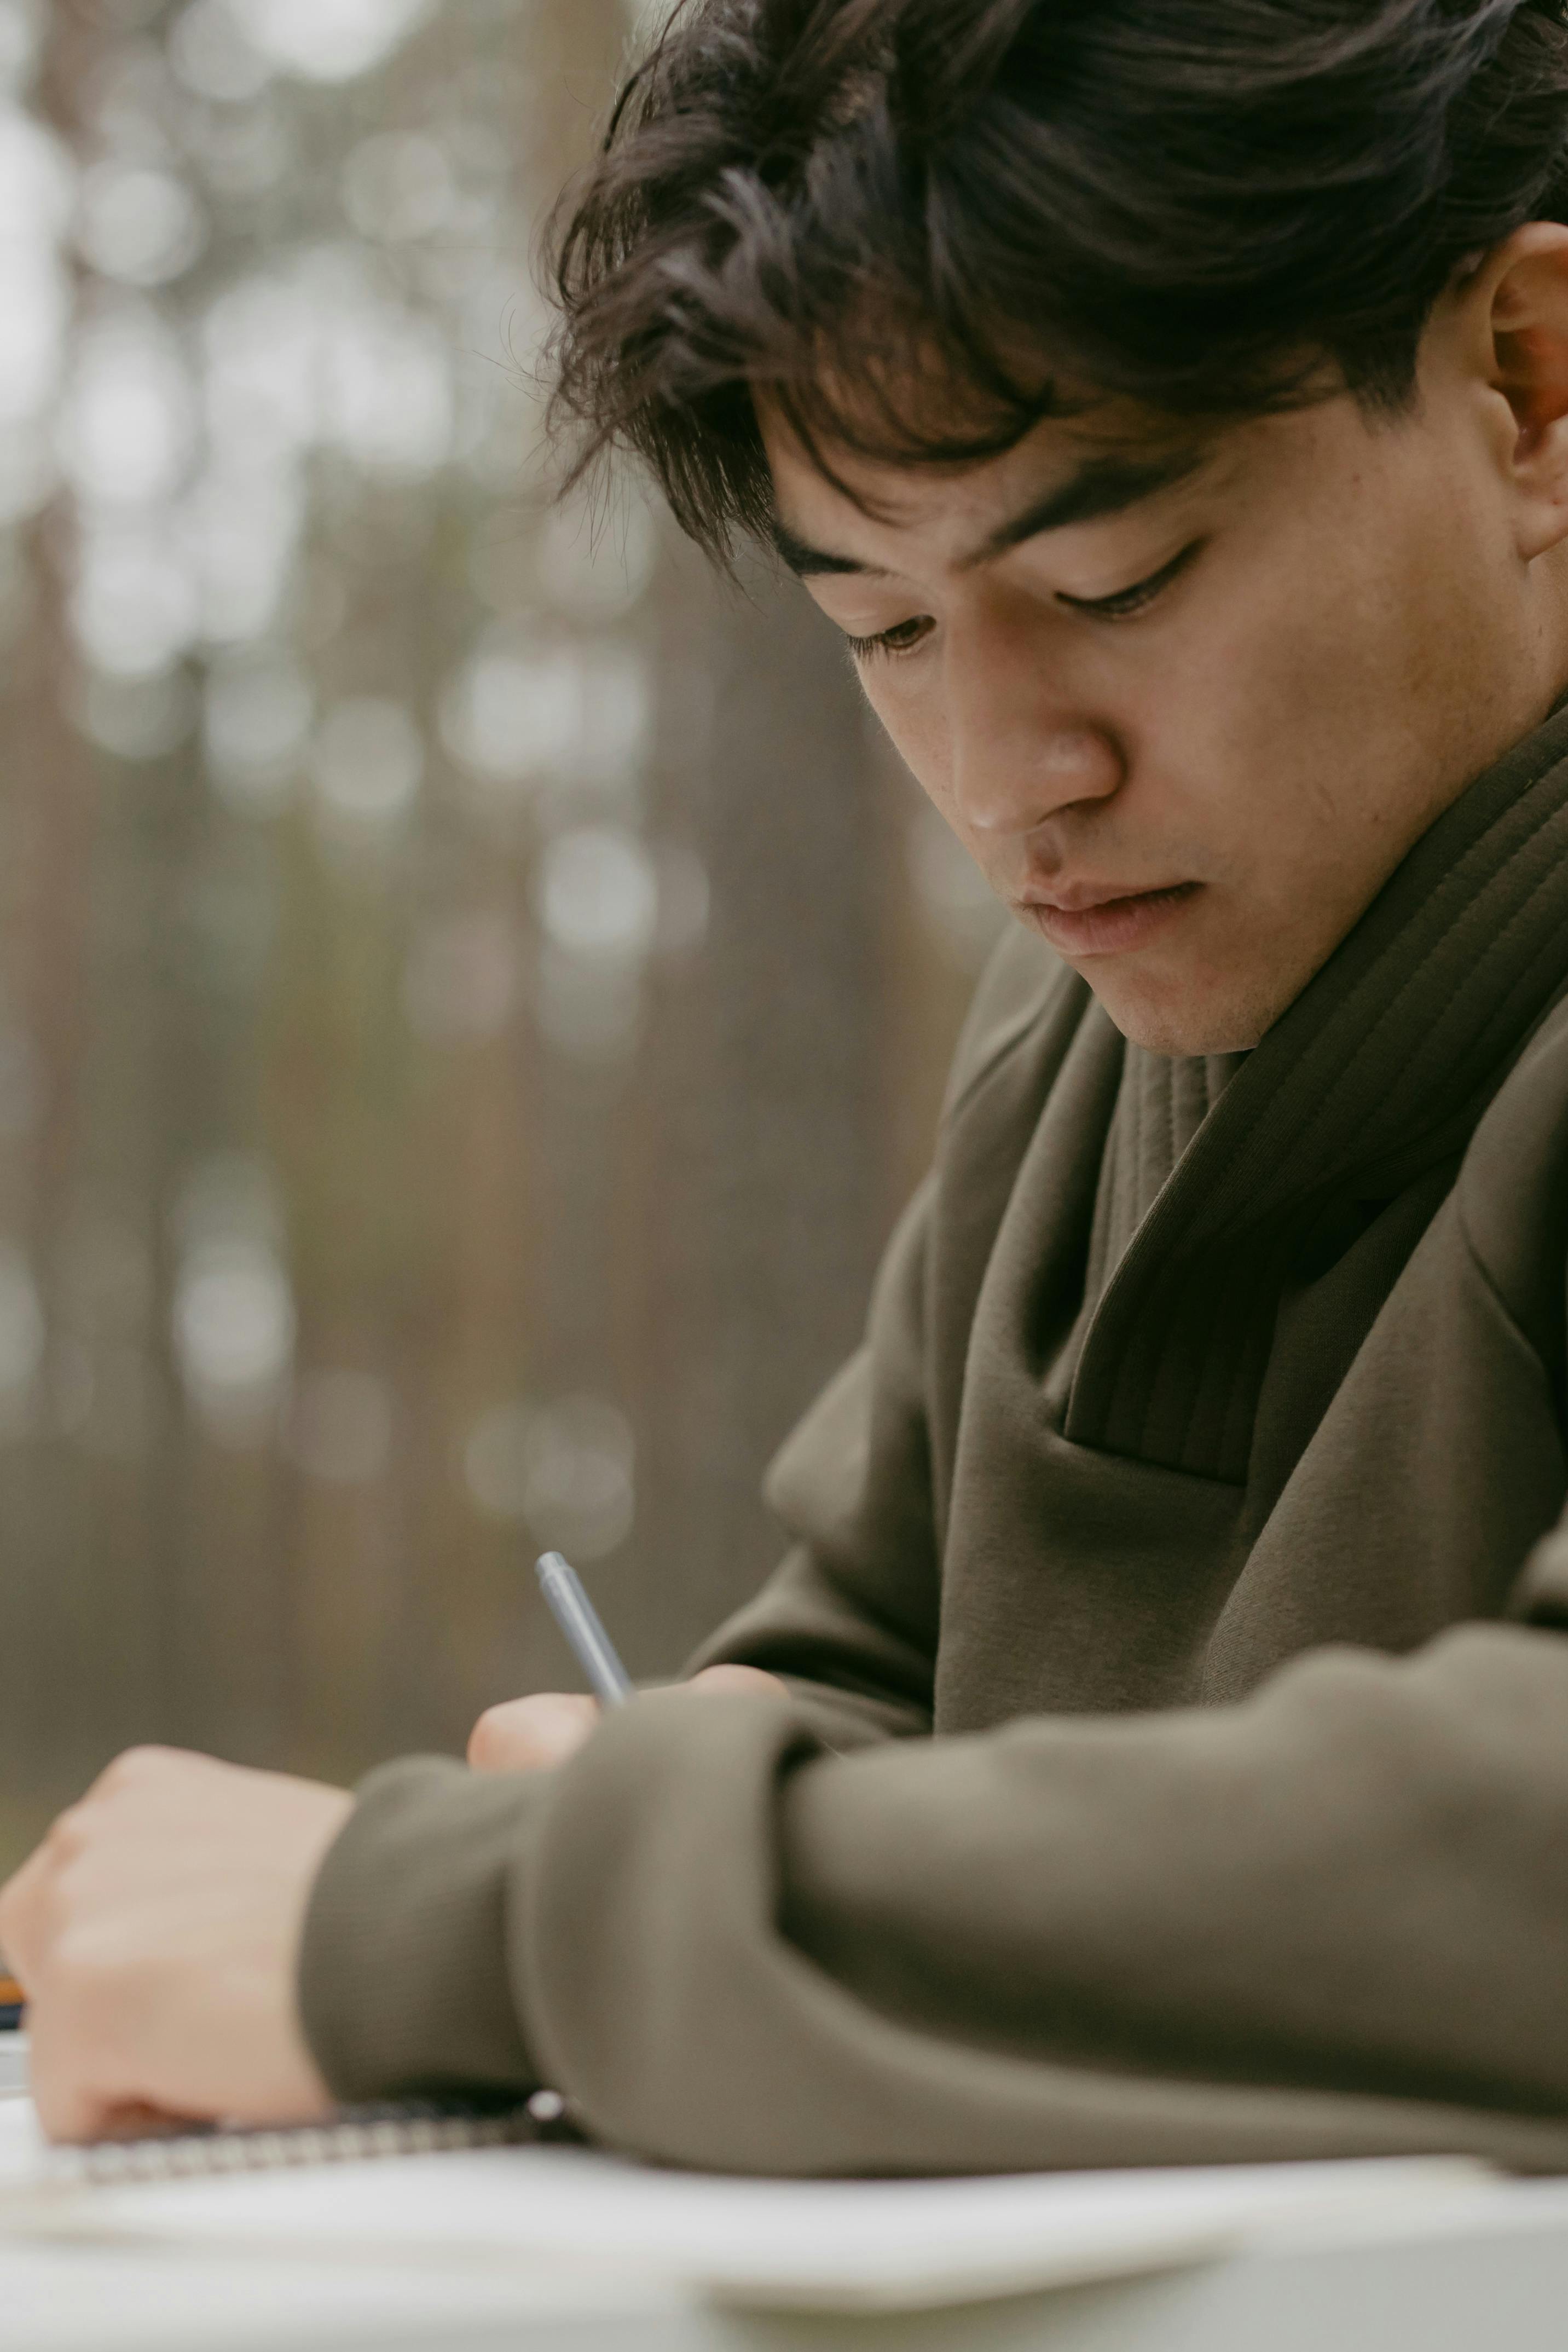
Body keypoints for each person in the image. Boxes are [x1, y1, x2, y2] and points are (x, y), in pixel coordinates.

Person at [10, 0, 1568, 2171]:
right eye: (891, 633)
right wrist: (670, 1782)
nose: (1015, 783)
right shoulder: (1077, 1049)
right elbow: (856, 1673)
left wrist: (486, 1918)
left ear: (1523, 384)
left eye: (1114, 579)